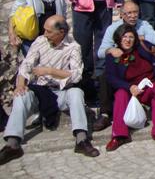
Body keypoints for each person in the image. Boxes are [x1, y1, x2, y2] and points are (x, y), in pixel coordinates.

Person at [0, 16, 100, 165]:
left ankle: (82, 139)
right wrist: (20, 84)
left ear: (61, 32)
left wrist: (50, 71)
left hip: (61, 92)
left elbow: (76, 75)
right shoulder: (40, 41)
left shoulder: (73, 47)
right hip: (40, 92)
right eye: (45, 30)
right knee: (21, 95)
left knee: (76, 93)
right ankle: (13, 143)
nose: (45, 34)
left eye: (49, 31)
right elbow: (26, 66)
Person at [94, 1, 155, 132]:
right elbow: (100, 52)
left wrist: (138, 37)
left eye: (135, 12)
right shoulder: (113, 28)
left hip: (138, 65)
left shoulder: (143, 25)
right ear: (122, 15)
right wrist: (110, 50)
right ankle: (105, 114)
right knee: (105, 76)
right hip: (121, 64)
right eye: (129, 13)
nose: (133, 16)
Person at [105, 24, 155, 151]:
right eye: (124, 37)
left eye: (131, 37)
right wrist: (129, 86)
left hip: (147, 84)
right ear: (119, 39)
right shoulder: (113, 55)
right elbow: (111, 78)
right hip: (128, 88)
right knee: (120, 94)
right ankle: (119, 135)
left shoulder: (141, 48)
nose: (128, 40)